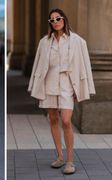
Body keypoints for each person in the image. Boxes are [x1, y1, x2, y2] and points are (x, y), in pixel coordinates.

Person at [28, 8, 95, 175]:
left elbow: (84, 65)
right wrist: (37, 88)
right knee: (53, 119)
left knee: (66, 121)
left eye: (58, 18)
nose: (55, 22)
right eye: (52, 20)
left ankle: (70, 161)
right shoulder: (44, 42)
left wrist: (81, 88)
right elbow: (38, 65)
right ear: (50, 23)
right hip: (49, 83)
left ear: (64, 19)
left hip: (67, 84)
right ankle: (59, 156)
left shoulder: (78, 41)